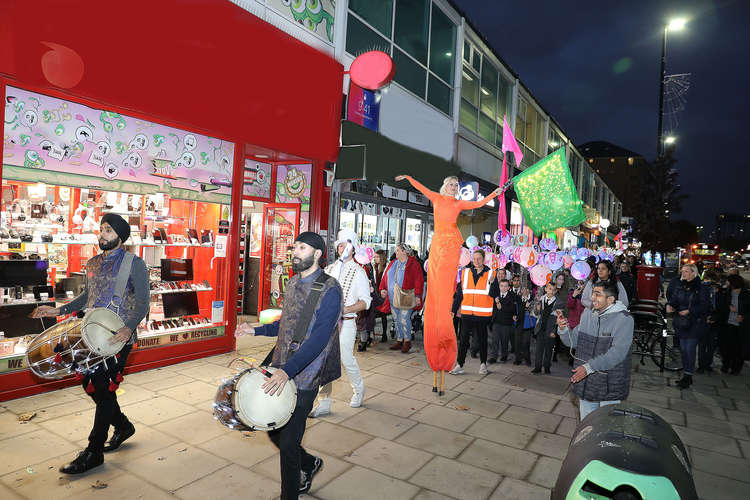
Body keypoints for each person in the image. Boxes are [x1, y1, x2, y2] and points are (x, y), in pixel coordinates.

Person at [31, 213, 149, 474]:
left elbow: (142, 302)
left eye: (108, 230)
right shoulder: (93, 262)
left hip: (118, 338)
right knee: (94, 389)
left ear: (120, 236)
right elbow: (87, 297)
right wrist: (56, 311)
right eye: (102, 229)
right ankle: (123, 426)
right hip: (90, 334)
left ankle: (94, 451)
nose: (102, 234)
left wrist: (128, 329)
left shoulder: (134, 264)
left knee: (103, 388)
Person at [235, 232, 341, 499]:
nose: (295, 252)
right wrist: (256, 330)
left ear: (317, 254)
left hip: (307, 373)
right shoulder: (293, 283)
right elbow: (287, 324)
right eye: (294, 246)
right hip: (281, 366)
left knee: (289, 442)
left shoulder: (330, 289)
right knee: (273, 429)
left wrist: (287, 371)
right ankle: (310, 463)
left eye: (302, 247)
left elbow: (318, 339)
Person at [394, 175, 500, 393]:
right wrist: (408, 177)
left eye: (456, 185)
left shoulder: (458, 203)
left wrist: (493, 194)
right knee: (435, 283)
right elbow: (421, 186)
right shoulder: (436, 197)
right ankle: (435, 322)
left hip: (451, 241)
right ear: (444, 186)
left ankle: (444, 317)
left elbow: (479, 203)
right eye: (451, 184)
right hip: (438, 243)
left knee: (445, 283)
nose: (453, 187)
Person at [308, 229, 370, 417]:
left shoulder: (359, 272)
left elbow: (366, 302)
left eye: (346, 245)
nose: (342, 247)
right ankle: (324, 402)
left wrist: (345, 309)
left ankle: (359, 389)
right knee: (323, 360)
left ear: (353, 249)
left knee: (346, 359)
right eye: (340, 244)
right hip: (325, 323)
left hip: (347, 323)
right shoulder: (330, 269)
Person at [557, 281, 634, 420]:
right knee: (586, 425)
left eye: (597, 294)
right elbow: (573, 341)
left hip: (609, 383)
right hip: (587, 382)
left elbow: (617, 353)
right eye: (593, 293)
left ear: (610, 299)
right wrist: (563, 329)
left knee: (606, 427)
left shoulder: (624, 319)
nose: (592, 298)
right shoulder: (587, 314)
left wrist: (588, 367)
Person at [666, 263, 712, 389]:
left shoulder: (702, 288)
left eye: (686, 271)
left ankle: (688, 375)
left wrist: (690, 311)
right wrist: (670, 305)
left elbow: (705, 306)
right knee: (683, 350)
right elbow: (674, 299)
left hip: (695, 323)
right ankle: (686, 374)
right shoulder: (680, 285)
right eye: (682, 271)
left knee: (689, 350)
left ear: (693, 273)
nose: (683, 273)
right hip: (681, 322)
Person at [450, 249, 496, 375]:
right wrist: (453, 310)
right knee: (463, 340)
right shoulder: (464, 273)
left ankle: (483, 365)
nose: (476, 261)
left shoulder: (491, 274)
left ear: (484, 259)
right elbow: (459, 294)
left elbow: (494, 294)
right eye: (474, 258)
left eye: (479, 258)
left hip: (482, 314)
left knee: (482, 340)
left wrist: (493, 284)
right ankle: (459, 364)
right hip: (467, 313)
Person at [378, 243, 424, 353]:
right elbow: (385, 277)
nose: (396, 252)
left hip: (407, 296)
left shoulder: (414, 264)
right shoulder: (393, 263)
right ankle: (399, 340)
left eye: (398, 250)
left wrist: (418, 295)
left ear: (405, 252)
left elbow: (419, 281)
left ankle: (407, 341)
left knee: (404, 319)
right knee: (396, 319)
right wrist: (382, 289)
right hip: (392, 297)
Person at [717, 274, 749, 374]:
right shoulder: (727, 293)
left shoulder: (746, 295)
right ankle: (725, 365)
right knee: (726, 347)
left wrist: (743, 316)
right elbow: (721, 306)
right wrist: (728, 306)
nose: (726, 283)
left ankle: (736, 368)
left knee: (738, 348)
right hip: (728, 324)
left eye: (728, 281)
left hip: (741, 326)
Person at [532, 282, 565, 374]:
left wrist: (554, 331)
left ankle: (547, 367)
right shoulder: (540, 300)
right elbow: (535, 314)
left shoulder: (558, 303)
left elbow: (559, 319)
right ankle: (537, 367)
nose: (551, 291)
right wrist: (537, 310)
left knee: (548, 350)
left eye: (554, 290)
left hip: (550, 330)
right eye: (549, 288)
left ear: (555, 291)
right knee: (539, 349)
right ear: (545, 289)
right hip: (540, 328)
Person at [489, 277, 517, 363]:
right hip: (496, 321)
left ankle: (504, 355)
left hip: (506, 322)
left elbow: (512, 309)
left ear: (509, 287)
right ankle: (494, 356)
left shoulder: (512, 296)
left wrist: (500, 306)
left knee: (504, 340)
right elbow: (490, 295)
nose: (503, 288)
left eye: (505, 286)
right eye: (501, 286)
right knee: (495, 340)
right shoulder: (496, 295)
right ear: (499, 286)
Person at [566, 280, 586, 366]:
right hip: (573, 321)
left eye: (583, 284)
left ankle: (576, 360)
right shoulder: (573, 292)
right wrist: (574, 296)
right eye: (579, 283)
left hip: (583, 321)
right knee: (573, 341)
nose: (581, 285)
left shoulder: (588, 295)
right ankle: (571, 358)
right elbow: (569, 305)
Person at [514, 286, 535, 365]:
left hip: (528, 324)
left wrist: (528, 307)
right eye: (523, 288)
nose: (524, 290)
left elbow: (534, 313)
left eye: (526, 288)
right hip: (519, 322)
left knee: (526, 343)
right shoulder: (517, 298)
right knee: (517, 342)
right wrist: (514, 315)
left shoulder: (532, 300)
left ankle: (527, 359)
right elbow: (515, 310)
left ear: (529, 290)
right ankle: (518, 359)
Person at [372, 250, 389, 343]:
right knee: (374, 313)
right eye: (374, 257)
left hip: (383, 293)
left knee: (383, 314)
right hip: (376, 293)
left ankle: (384, 334)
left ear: (382, 257)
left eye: (377, 257)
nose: (375, 259)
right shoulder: (375, 267)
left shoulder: (386, 267)